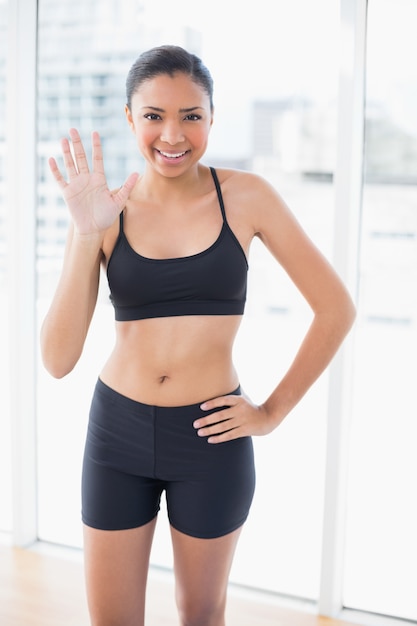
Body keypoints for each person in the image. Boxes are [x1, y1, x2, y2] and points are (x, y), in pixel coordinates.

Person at [40, 44, 356, 626]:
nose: (172, 135)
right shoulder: (105, 211)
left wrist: (271, 412)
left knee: (201, 613)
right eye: (154, 115)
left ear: (211, 118)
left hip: (212, 436)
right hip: (118, 433)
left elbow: (335, 307)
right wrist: (87, 237)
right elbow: (57, 359)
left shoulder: (247, 196)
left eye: (191, 116)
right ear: (131, 118)